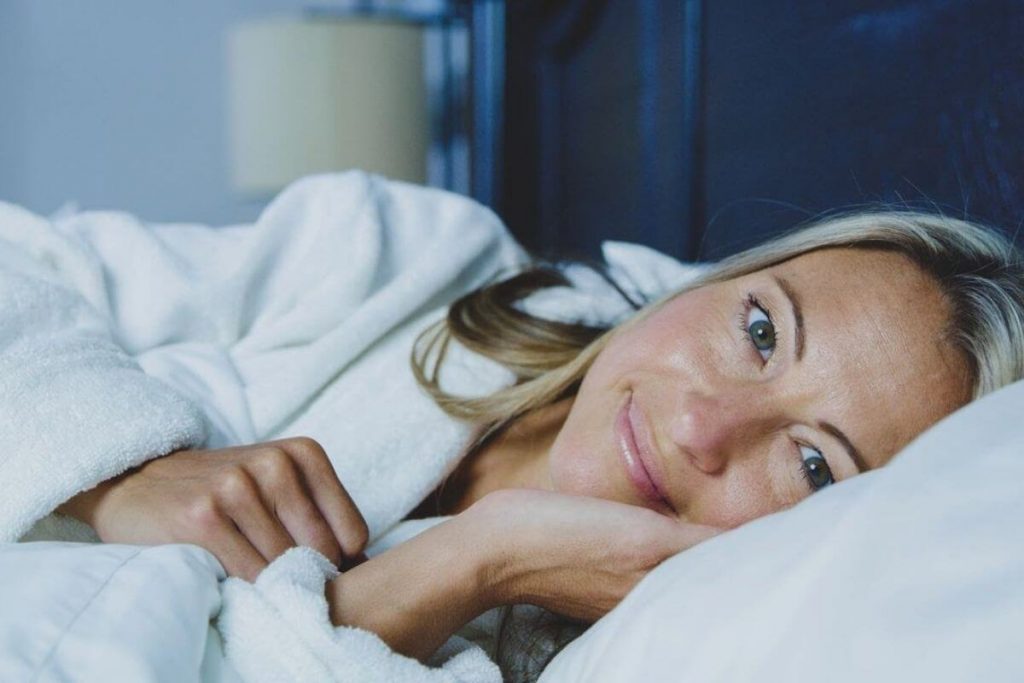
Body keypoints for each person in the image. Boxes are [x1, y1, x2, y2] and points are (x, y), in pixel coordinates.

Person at [7, 172, 1024, 680]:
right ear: (710, 283)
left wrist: (473, 563)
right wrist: (122, 465)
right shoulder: (413, 260)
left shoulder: (643, 654)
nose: (704, 423)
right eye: (758, 327)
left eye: (810, 462)